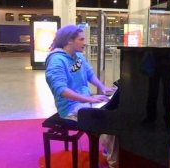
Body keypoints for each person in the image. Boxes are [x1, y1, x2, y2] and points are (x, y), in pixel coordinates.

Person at [45, 24, 118, 168]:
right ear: (69, 41)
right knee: (105, 119)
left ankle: (109, 151)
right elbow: (62, 90)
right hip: (70, 108)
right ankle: (114, 163)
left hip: (84, 101)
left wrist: (103, 88)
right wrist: (90, 99)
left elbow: (89, 73)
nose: (85, 42)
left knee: (113, 112)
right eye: (81, 39)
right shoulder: (56, 61)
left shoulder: (78, 56)